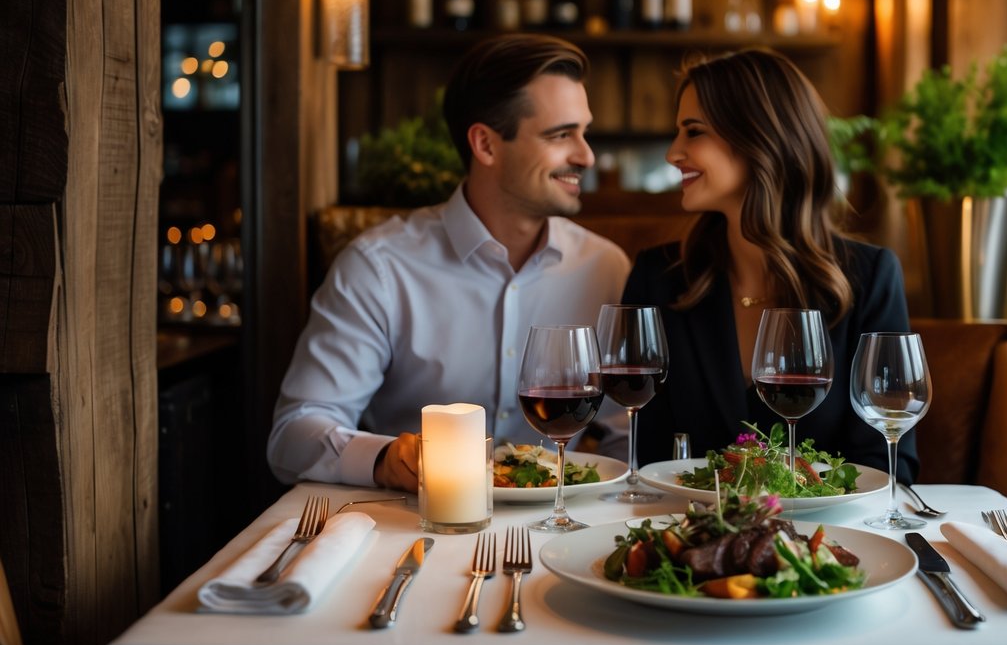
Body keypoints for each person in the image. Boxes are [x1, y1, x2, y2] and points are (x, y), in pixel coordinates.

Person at [267, 34, 631, 492]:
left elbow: (627, 439)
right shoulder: (379, 268)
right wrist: (384, 459)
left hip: (561, 529)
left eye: (584, 131)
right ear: (486, 144)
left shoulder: (605, 268)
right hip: (410, 525)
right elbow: (293, 435)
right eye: (561, 135)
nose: (586, 155)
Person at [623, 48, 918, 481]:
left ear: (758, 138)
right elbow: (646, 457)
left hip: (828, 541)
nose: (673, 153)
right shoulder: (658, 277)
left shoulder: (869, 277)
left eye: (694, 132)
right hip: (692, 534)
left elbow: (889, 461)